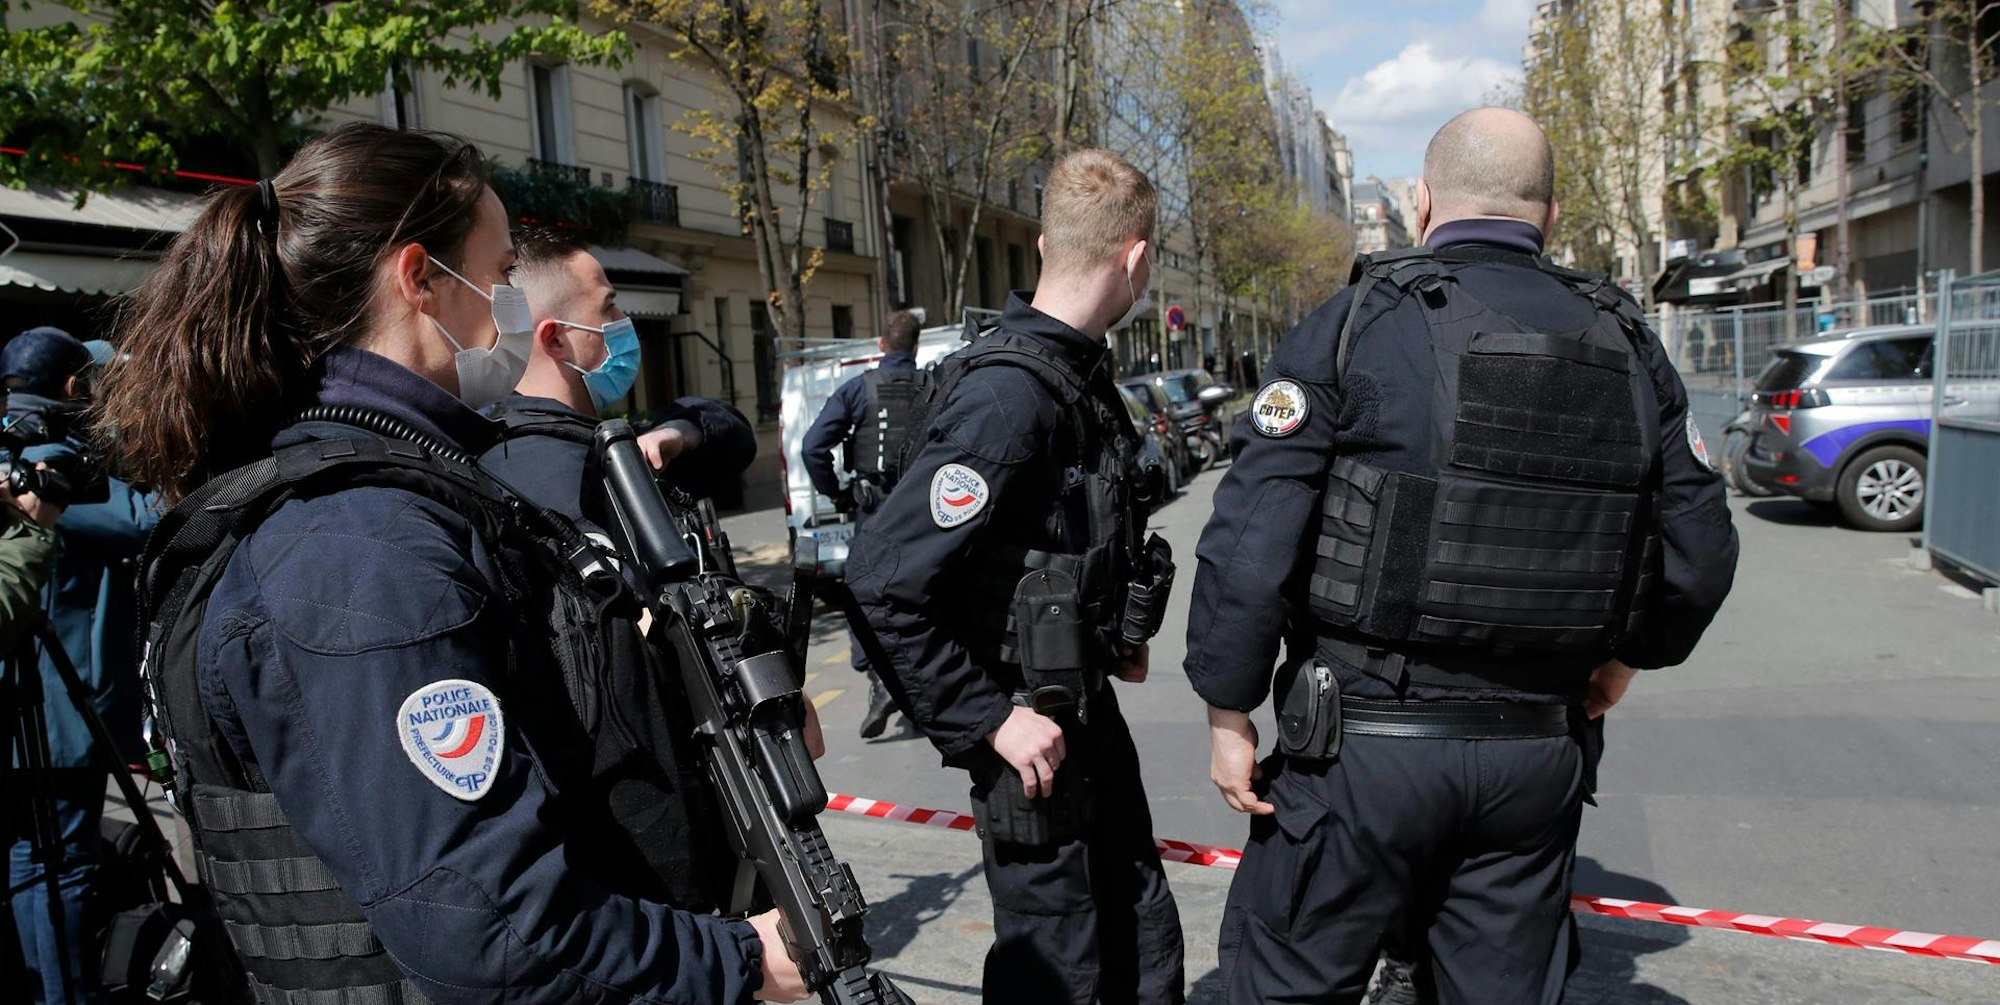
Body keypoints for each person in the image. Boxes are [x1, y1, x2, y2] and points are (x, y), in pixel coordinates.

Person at [98, 124, 807, 1003]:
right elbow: (491, 927)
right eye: (503, 270)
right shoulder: (358, 546)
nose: (511, 298)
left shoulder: (392, 498)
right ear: (421, 279)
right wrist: (737, 959)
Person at [1185, 107, 1739, 1005]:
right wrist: (1630, 655)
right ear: (1550, 215)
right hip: (1536, 752)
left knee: (1284, 983)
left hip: (1361, 754)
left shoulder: (1357, 321)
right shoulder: (1629, 340)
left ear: (1423, 200)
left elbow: (1253, 532)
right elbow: (1702, 549)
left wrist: (1227, 707)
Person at [847, 147, 1185, 1005]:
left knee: (1139, 939)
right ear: (1136, 259)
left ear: (1041, 244)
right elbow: (882, 581)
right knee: (1058, 974)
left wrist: (1114, 631)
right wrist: (991, 719)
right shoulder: (1010, 398)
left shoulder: (1077, 381)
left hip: (1084, 721)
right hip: (1030, 747)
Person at [4, 326, 159, 1005]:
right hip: (57, 711)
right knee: (61, 865)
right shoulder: (48, 463)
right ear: (73, 388)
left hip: (30, 704)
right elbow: (145, 518)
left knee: (28, 858)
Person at [483, 228, 757, 518]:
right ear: (555, 339)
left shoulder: (603, 444)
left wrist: (678, 433)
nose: (624, 319)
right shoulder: (564, 472)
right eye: (608, 306)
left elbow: (734, 436)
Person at [800, 309, 921, 738]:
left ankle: (879, 681)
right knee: (926, 597)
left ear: (881, 345)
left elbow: (813, 447)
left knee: (864, 597)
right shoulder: (933, 386)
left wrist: (837, 493)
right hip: (924, 513)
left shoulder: (858, 390)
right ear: (916, 346)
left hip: (874, 511)